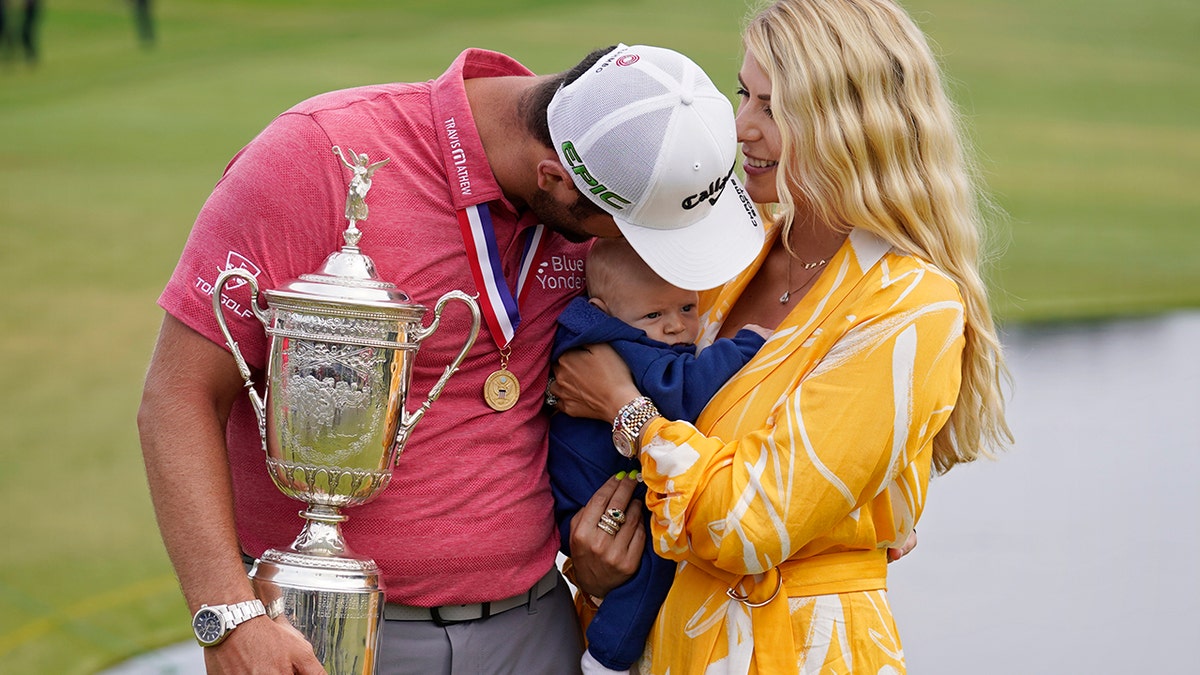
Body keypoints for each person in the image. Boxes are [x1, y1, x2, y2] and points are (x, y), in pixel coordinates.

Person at [137, 43, 763, 674]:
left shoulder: (608, 170)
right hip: (335, 632)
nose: (640, 252)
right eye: (631, 230)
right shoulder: (320, 156)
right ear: (555, 179)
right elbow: (179, 394)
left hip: (538, 622)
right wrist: (227, 617)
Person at [550, 1, 1013, 672]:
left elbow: (746, 521)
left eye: (772, 107)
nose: (741, 127)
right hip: (668, 641)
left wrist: (628, 411)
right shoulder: (726, 261)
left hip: (799, 650)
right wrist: (595, 565)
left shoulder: (910, 306)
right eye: (744, 94)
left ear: (849, 124)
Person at [547, 238, 770, 675]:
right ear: (602, 307)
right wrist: (746, 346)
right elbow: (682, 391)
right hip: (598, 494)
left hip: (582, 484)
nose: (675, 327)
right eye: (654, 314)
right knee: (657, 561)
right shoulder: (626, 345)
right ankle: (606, 658)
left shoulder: (597, 329)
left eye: (687, 308)